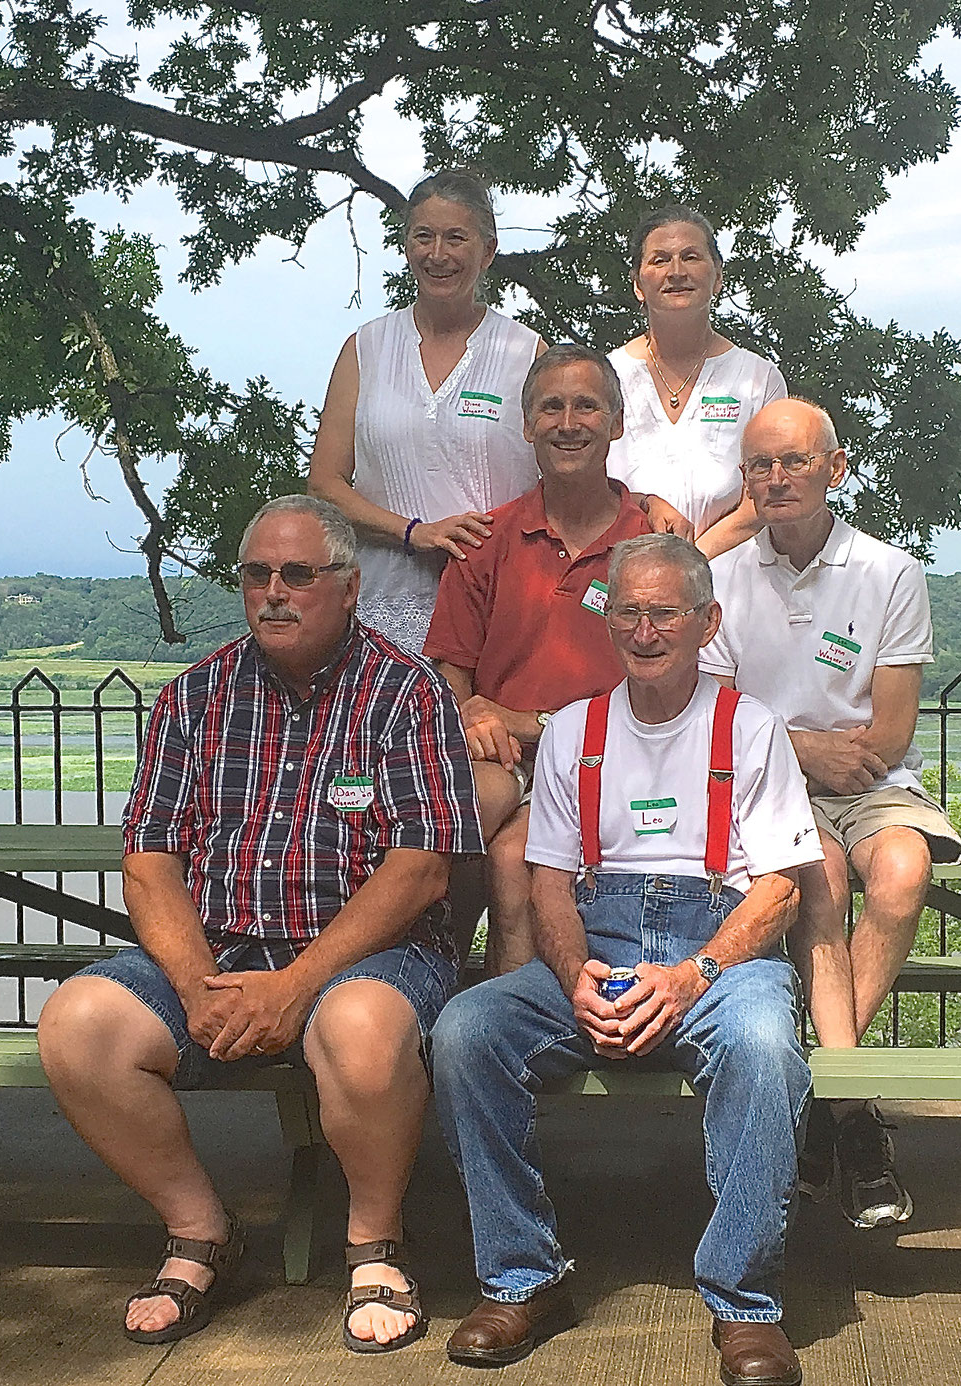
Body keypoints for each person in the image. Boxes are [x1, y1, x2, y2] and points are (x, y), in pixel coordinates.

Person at [36, 495, 482, 1354]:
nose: (275, 592)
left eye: (299, 575)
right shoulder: (192, 699)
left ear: (348, 588)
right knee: (77, 1026)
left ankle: (375, 1245)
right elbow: (151, 861)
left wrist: (296, 983)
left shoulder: (408, 693)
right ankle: (201, 1230)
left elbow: (421, 867)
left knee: (358, 1029)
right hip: (221, 951)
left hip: (371, 956)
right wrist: (197, 985)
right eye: (257, 574)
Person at [432, 533, 822, 1386]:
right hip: (598, 948)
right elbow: (551, 883)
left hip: (721, 956)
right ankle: (520, 1278)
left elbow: (780, 893)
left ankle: (744, 1304)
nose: (645, 632)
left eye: (667, 614)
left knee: (764, 1047)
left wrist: (692, 978)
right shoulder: (576, 731)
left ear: (706, 622)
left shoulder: (750, 729)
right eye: (630, 613)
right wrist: (574, 977)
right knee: (467, 1030)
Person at [701, 399, 961, 1231]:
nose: (775, 480)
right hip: (773, 782)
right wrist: (804, 749)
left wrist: (817, 747)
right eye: (759, 467)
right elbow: (718, 716)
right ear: (745, 481)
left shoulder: (891, 572)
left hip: (876, 780)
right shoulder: (726, 578)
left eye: (794, 462)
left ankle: (823, 1102)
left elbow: (888, 732)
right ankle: (852, 1118)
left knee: (903, 869)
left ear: (835, 469)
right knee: (820, 876)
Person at [423, 343, 656, 973]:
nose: (568, 422)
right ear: (527, 426)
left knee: (511, 860)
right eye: (550, 407)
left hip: (619, 762)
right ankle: (415, 974)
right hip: (507, 760)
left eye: (587, 406)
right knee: (447, 818)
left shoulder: (651, 545)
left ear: (617, 422)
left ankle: (516, 1031)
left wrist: (539, 723)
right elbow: (452, 672)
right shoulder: (486, 541)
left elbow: (672, 681)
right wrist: (471, 717)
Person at [305, 170, 544, 649]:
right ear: (406, 244)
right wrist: (414, 533)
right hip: (383, 607)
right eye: (423, 236)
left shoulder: (527, 353)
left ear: (488, 251)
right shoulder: (366, 348)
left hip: (495, 604)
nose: (438, 255)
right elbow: (325, 484)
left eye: (456, 238)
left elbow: (561, 483)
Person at [608, 205, 787, 559]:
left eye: (690, 257)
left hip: (731, 581)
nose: (675, 272)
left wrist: (692, 566)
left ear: (717, 277)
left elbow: (769, 494)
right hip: (619, 585)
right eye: (659, 260)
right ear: (637, 284)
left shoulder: (758, 379)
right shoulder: (605, 377)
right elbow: (581, 487)